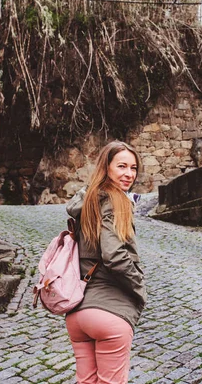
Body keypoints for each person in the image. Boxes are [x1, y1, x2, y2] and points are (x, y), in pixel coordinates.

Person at [65, 140, 147, 384]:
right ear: (106, 167)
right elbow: (113, 254)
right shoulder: (115, 200)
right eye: (122, 166)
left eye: (133, 168)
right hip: (110, 314)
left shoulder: (88, 201)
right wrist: (139, 287)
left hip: (78, 316)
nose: (129, 174)